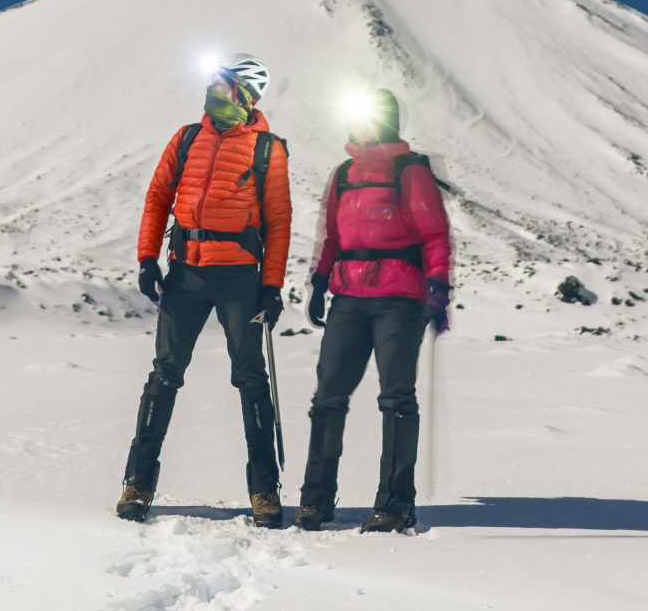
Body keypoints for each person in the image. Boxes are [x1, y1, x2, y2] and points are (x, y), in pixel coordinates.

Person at [117, 53, 292, 527]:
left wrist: (271, 286)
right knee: (164, 374)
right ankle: (138, 484)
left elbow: (278, 222)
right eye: (212, 84)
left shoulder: (268, 149)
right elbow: (158, 196)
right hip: (185, 272)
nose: (214, 92)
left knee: (251, 379)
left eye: (224, 86)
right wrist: (147, 257)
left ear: (247, 95)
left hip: (240, 278)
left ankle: (264, 490)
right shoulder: (188, 136)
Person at [294, 88, 452, 534]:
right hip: (348, 297)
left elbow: (435, 234)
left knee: (396, 397)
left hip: (399, 300)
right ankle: (315, 499)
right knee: (328, 396)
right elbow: (331, 234)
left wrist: (438, 286)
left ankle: (396, 503)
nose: (359, 126)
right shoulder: (344, 174)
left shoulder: (410, 171)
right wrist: (320, 281)